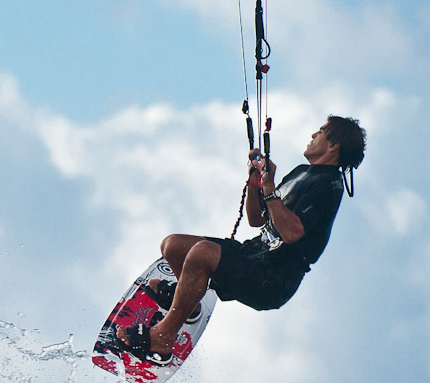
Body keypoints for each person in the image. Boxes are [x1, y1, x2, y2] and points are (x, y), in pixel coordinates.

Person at [116, 115, 366, 365]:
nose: (313, 135)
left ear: (334, 145)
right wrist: (255, 183)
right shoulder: (302, 173)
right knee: (172, 245)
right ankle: (189, 307)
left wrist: (269, 188)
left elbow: (291, 233)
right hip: (252, 254)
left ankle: (163, 336)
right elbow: (257, 219)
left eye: (321, 132)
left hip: (274, 278)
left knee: (201, 253)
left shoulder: (329, 186)